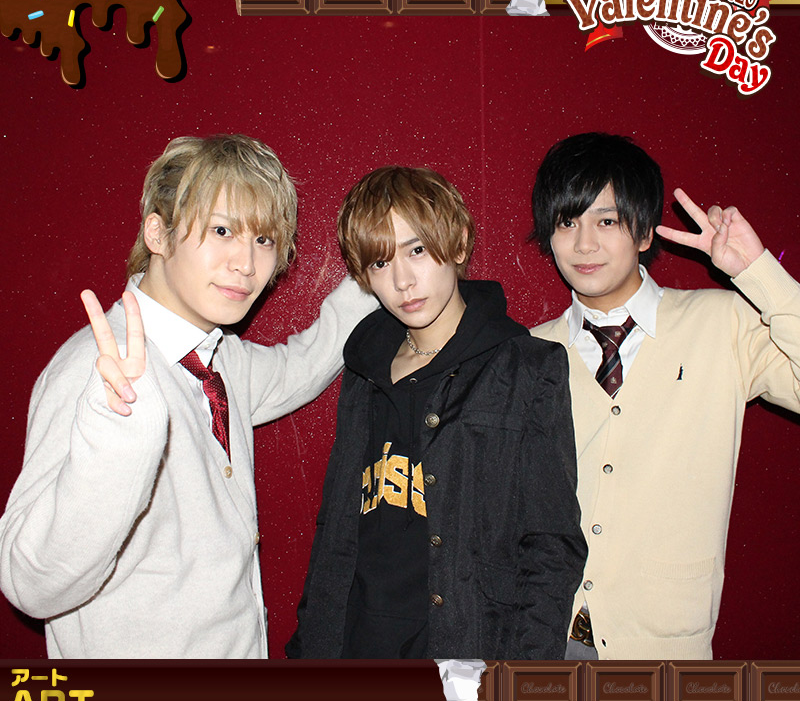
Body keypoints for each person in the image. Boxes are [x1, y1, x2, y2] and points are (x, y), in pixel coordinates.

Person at [0, 134, 376, 659]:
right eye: (222, 230)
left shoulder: (220, 361)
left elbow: (307, 360)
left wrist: (383, 265)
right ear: (158, 232)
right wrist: (119, 441)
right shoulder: (94, 371)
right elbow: (30, 582)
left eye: (264, 239)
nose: (246, 263)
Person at [286, 165, 586, 658]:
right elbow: (336, 530)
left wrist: (527, 679)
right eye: (380, 262)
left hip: (465, 650)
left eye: (418, 250)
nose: (402, 280)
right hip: (357, 644)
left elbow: (552, 545)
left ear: (460, 243)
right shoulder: (364, 369)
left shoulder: (526, 368)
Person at [529, 132, 800, 660]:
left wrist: (758, 272)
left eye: (607, 221)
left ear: (645, 230)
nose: (584, 244)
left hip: (663, 649)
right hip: (545, 639)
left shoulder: (720, 323)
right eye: (567, 222)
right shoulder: (529, 353)